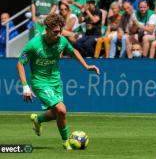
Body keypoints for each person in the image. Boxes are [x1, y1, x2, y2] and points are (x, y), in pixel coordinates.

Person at [16, 13, 100, 150]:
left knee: (58, 114)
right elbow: (20, 64)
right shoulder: (33, 45)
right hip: (39, 82)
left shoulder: (62, 41)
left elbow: (73, 52)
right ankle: (66, 142)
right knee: (62, 109)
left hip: (55, 81)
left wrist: (86, 65)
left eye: (60, 31)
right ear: (47, 29)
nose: (59, 34)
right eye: (55, 32)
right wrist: (25, 86)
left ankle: (38, 119)